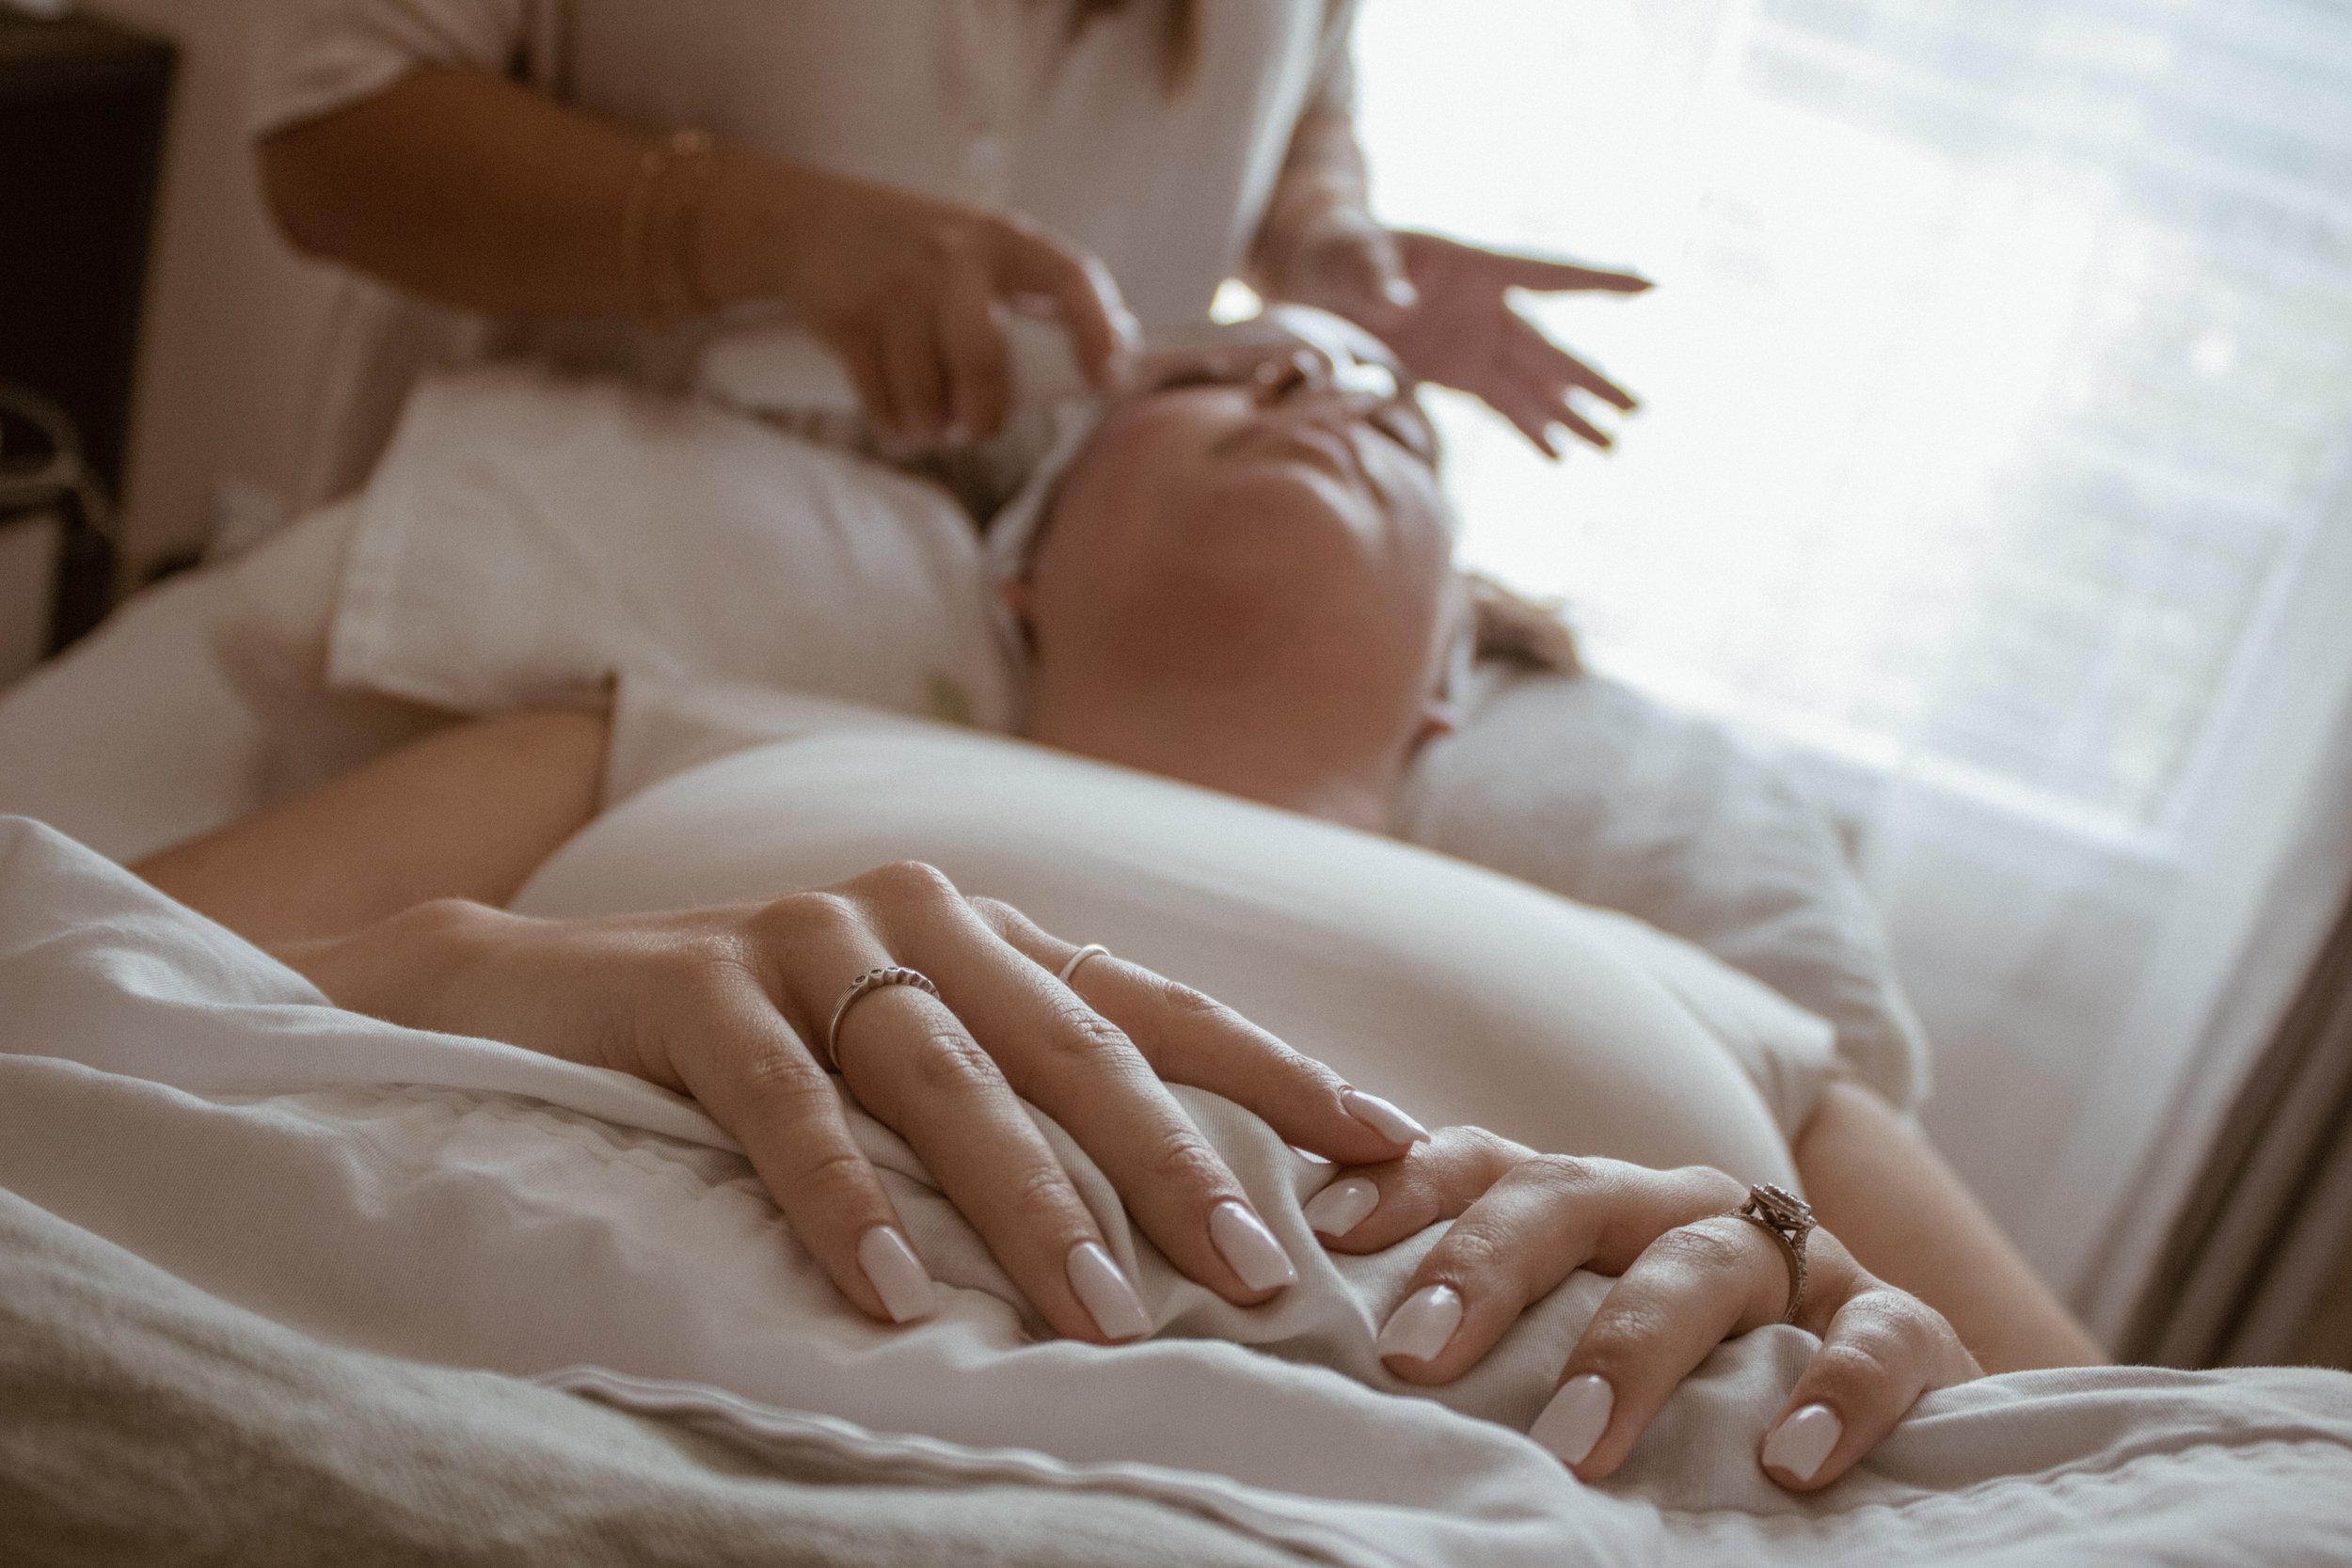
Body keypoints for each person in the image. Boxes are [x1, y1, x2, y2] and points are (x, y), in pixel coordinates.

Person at [135, 341, 2105, 1493]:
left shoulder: (1728, 1015)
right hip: (542, 1396)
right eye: (1204, 372)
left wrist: (1829, 1304)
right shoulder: (662, 734)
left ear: (1449, 678)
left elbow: (2144, 1453)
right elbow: (60, 971)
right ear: (1020, 565)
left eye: (1387, 418)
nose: (1309, 376)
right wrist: (494, 974)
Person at [250, 0, 1649, 507]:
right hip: (542, 561)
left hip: (992, 631)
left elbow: (1305, 82)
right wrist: (766, 229)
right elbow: (329, 142)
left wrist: (1322, 239)